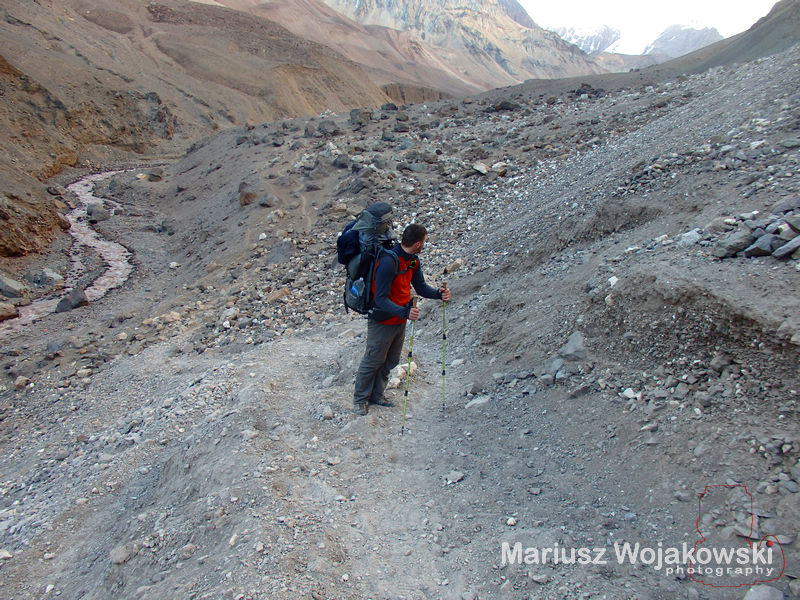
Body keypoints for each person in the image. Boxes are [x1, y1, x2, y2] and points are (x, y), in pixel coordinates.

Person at [353, 223, 451, 415]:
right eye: (424, 241)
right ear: (417, 243)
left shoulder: (413, 261)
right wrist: (404, 312)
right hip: (382, 320)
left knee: (390, 360)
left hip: (399, 319)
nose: (424, 244)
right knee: (373, 360)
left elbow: (421, 287)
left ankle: (376, 395)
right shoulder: (389, 262)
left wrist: (438, 294)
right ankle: (359, 400)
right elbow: (380, 298)